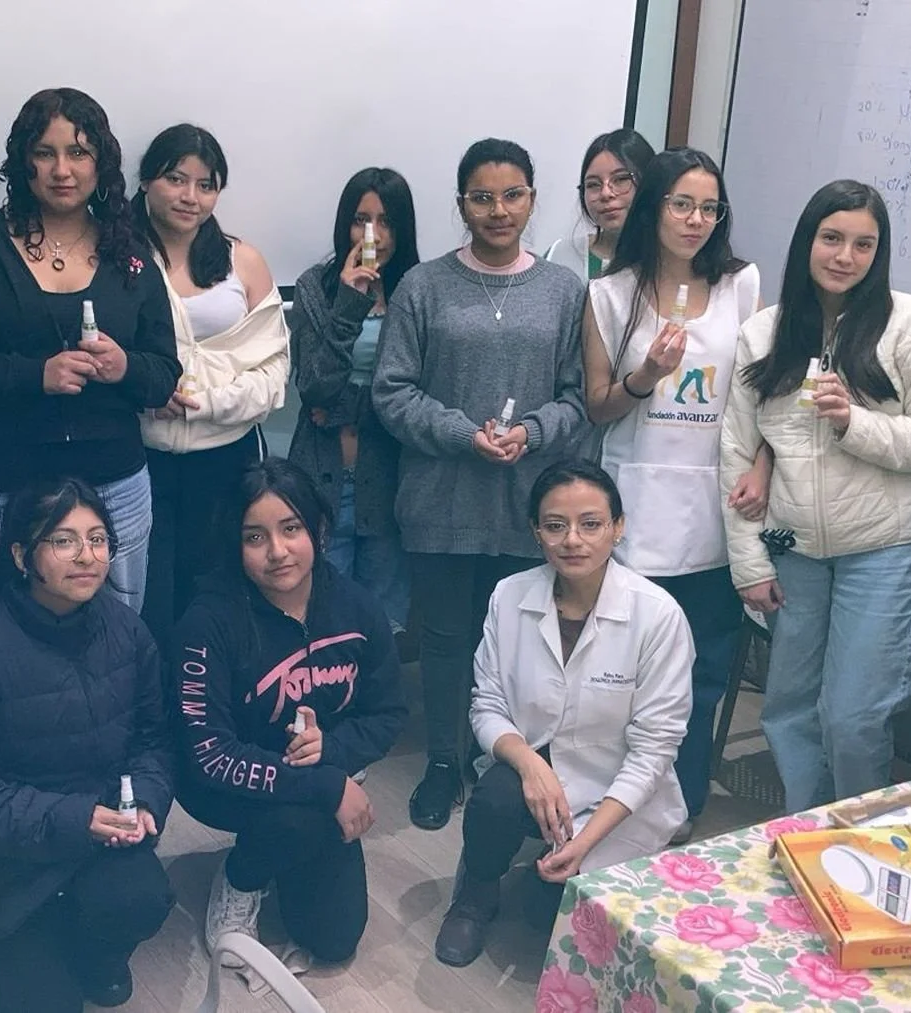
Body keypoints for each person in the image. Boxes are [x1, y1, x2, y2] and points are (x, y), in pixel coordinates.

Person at [720, 180, 911, 813]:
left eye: (863, 244)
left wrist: (856, 424)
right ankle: (807, 834)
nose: (845, 257)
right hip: (791, 548)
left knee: (854, 717)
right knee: (789, 710)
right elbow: (738, 454)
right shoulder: (765, 333)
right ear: (807, 242)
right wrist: (749, 562)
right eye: (832, 238)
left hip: (882, 552)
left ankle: (863, 839)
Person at [374, 137, 590, 830]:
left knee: (524, 641)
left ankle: (508, 763)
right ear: (461, 203)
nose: (499, 211)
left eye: (513, 195)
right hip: (443, 498)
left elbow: (577, 396)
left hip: (532, 506)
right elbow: (393, 392)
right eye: (482, 197)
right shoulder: (424, 286)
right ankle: (444, 760)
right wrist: (466, 434)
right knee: (444, 637)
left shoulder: (562, 290)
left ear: (532, 197)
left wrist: (530, 430)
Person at [0, 87, 179, 620]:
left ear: (100, 165)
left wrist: (124, 367)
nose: (63, 169)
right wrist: (35, 375)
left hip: (111, 486)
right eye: (45, 152)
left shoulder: (128, 255)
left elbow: (164, 373)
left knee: (117, 641)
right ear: (22, 163)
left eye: (79, 153)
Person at [435, 461, 692, 968]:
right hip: (534, 756)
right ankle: (477, 892)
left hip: (615, 786)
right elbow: (486, 706)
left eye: (591, 524)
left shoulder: (657, 615)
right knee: (495, 799)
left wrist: (586, 842)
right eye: (555, 525)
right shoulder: (510, 596)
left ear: (619, 527)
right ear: (536, 533)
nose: (573, 540)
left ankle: (552, 871)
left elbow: (654, 750)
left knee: (544, 916)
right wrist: (530, 766)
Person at [0, 478, 174, 1013]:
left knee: (144, 899)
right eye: (63, 541)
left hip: (99, 840)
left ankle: (96, 950)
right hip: (9, 861)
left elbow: (154, 742)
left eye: (98, 539)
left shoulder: (128, 631)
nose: (86, 556)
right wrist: (74, 817)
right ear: (22, 555)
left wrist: (144, 805)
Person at [580, 146, 764, 842]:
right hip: (636, 504)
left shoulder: (741, 285)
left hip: (714, 507)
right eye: (681, 203)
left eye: (709, 206)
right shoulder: (610, 293)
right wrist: (645, 376)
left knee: (704, 669)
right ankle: (612, 806)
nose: (695, 219)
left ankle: (681, 808)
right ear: (653, 205)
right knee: (628, 670)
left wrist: (763, 468)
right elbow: (597, 407)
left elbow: (760, 394)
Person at [170, 459, 406, 968]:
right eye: (255, 537)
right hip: (225, 785)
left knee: (335, 939)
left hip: (316, 775)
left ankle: (281, 851)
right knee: (297, 822)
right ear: (235, 545)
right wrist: (329, 784)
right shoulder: (206, 622)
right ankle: (241, 878)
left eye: (291, 529)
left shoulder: (357, 607)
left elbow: (387, 712)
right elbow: (208, 757)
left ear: (319, 530)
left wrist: (335, 752)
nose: (277, 552)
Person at [133, 124, 287, 630]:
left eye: (206, 184)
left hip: (227, 457)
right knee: (144, 594)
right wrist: (144, 394)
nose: (190, 197)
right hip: (138, 455)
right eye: (176, 179)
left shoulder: (241, 259)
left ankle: (209, 703)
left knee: (218, 592)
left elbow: (273, 369)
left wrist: (212, 402)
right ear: (146, 180)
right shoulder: (116, 259)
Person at [287, 167, 420, 632]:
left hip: (392, 482)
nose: (373, 235)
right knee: (323, 618)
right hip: (323, 477)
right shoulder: (314, 287)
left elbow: (414, 394)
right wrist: (349, 301)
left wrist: (351, 408)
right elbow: (314, 388)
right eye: (361, 219)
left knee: (385, 622)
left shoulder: (418, 290)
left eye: (386, 222)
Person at [544, 128, 657, 282]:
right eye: (593, 184)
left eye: (620, 179)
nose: (605, 193)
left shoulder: (671, 261)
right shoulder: (560, 256)